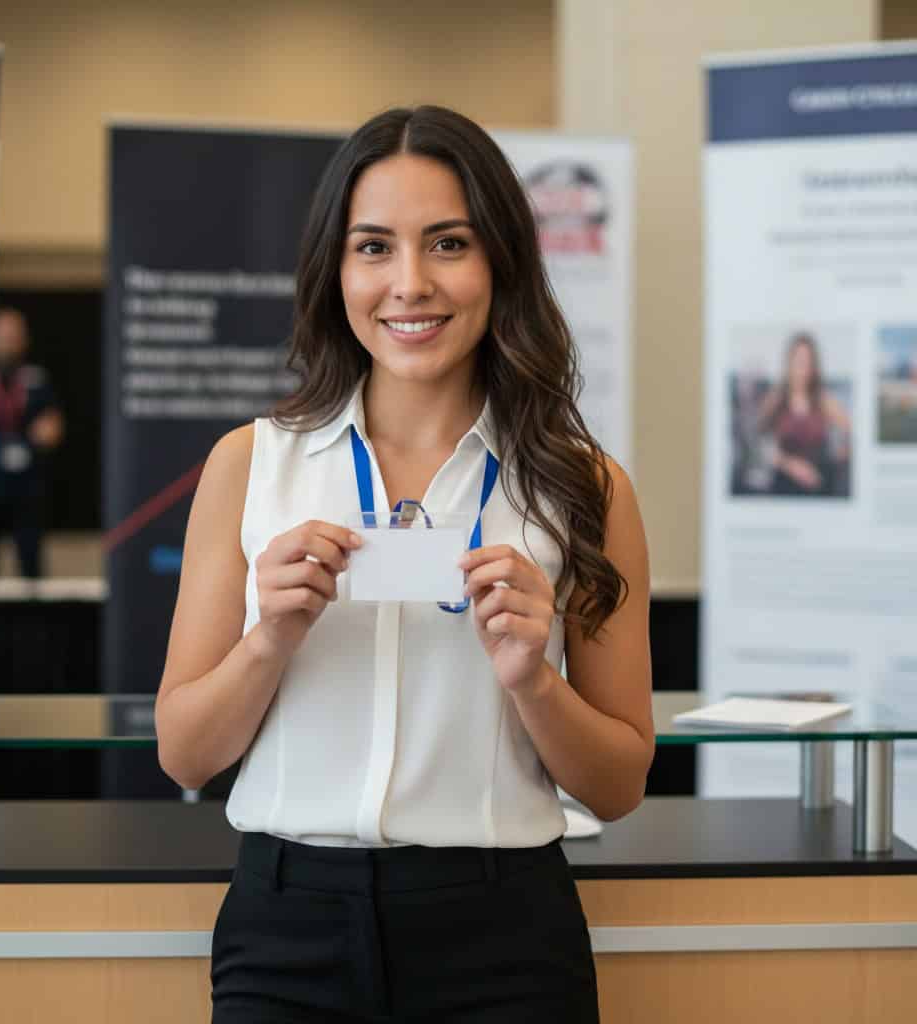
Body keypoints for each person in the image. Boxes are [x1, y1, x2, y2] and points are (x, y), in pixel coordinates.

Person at [155, 106, 654, 1023]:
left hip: (504, 941)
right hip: (286, 937)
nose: (410, 283)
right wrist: (269, 641)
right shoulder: (251, 464)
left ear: (501, 260)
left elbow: (619, 786)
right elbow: (183, 750)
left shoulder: (586, 487)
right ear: (335, 269)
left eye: (448, 243)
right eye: (374, 247)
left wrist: (533, 682)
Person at [0, 308, 64, 578]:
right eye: (3, 334)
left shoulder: (36, 378)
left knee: (30, 559)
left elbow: (54, 424)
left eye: (15, 335)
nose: (9, 340)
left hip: (28, 484)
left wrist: (49, 430)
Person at [756, 332, 851, 497]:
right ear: (789, 362)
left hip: (819, 488)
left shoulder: (824, 400)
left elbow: (853, 434)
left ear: (814, 366)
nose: (803, 367)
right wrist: (790, 466)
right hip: (783, 488)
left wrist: (839, 457)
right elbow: (757, 444)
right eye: (798, 360)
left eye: (808, 361)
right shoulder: (775, 399)